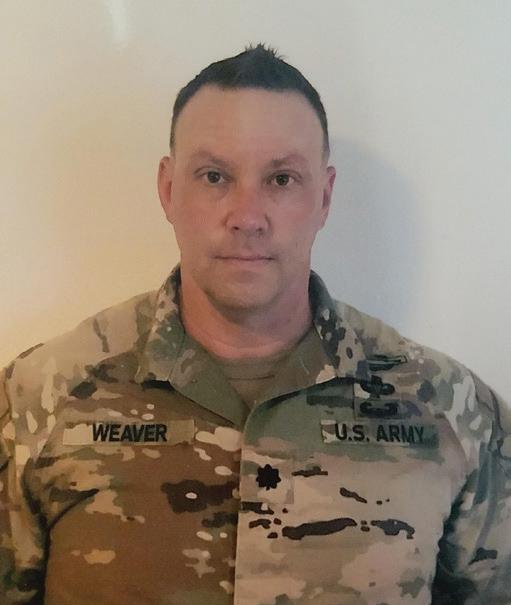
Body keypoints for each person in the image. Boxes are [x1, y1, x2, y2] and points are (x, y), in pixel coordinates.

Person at [0, 44, 509, 605]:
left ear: (324, 198)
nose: (246, 217)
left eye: (282, 179)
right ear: (168, 190)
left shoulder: (451, 409)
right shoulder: (38, 400)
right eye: (214, 176)